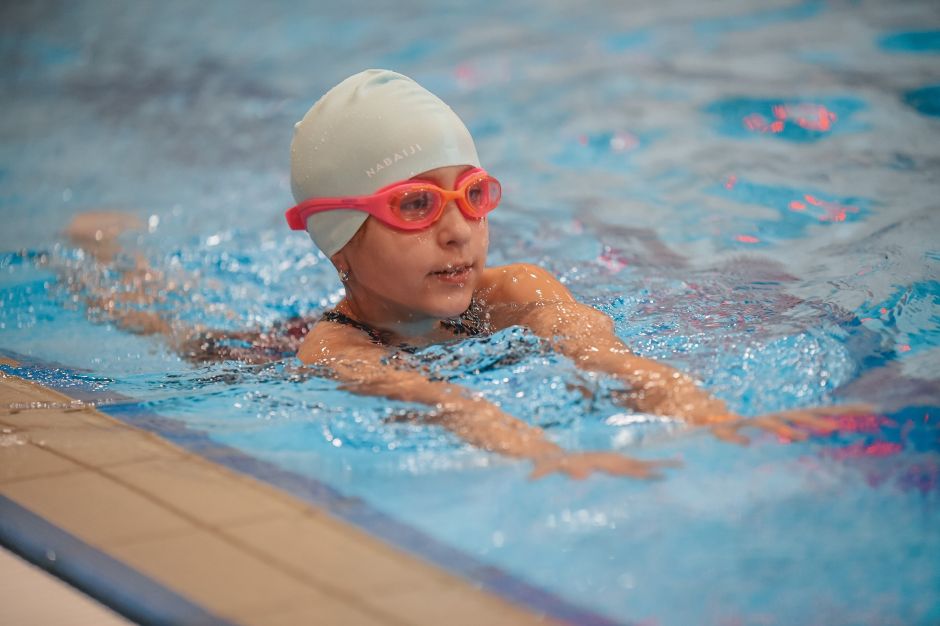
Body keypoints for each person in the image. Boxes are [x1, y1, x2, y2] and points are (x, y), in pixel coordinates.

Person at [283, 69, 853, 480]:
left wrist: (717, 419)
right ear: (339, 242)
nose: (458, 231)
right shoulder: (334, 352)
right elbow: (451, 407)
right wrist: (548, 459)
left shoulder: (515, 290)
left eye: (473, 195)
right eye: (415, 204)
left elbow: (608, 358)